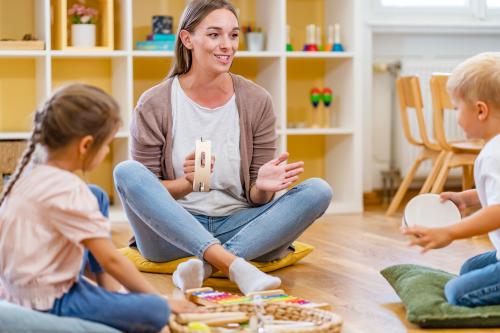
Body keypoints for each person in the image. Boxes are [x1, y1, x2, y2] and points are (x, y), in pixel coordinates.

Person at [113, 0, 332, 295]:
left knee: (318, 190)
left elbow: (257, 199)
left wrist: (264, 187)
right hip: (172, 232)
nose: (227, 45)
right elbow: (145, 192)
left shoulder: (257, 100)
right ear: (187, 39)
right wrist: (185, 184)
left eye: (233, 35)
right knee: (126, 171)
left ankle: (206, 265)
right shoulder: (155, 103)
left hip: (238, 223)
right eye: (214, 34)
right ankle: (236, 264)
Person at [0, 84, 198, 333]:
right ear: (85, 145)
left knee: (96, 196)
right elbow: (112, 259)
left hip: (14, 288)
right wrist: (161, 300)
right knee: (155, 311)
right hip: (52, 300)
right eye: (106, 145)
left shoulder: (26, 174)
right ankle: (112, 300)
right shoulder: (69, 189)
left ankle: (108, 291)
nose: (106, 152)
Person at [403, 52, 500, 307]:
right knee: (470, 267)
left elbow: (499, 211)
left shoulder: (494, 154)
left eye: (457, 108)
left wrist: (449, 232)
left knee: (458, 292)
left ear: (480, 110)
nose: (456, 116)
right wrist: (467, 197)